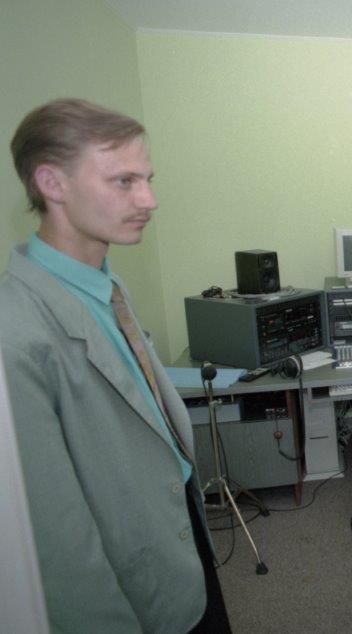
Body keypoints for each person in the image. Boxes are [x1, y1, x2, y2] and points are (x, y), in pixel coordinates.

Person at [0, 99, 230, 632]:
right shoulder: (15, 334)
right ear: (52, 183)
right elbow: (59, 547)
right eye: (124, 181)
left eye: (147, 180)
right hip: (124, 574)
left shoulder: (108, 285)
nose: (149, 199)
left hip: (177, 532)